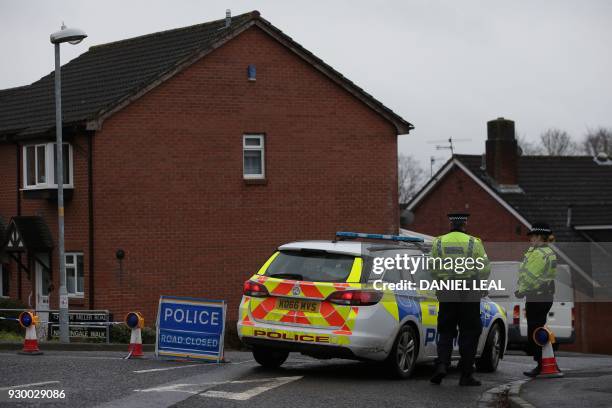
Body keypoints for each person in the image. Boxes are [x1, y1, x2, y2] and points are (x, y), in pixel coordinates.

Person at [429, 212, 491, 386]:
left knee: (446, 330)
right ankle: (466, 375)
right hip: (469, 291)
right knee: (469, 332)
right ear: (464, 225)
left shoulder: (438, 242)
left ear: (451, 225)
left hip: (447, 290)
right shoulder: (474, 242)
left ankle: (441, 365)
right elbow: (485, 269)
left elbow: (432, 268)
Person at [514, 222, 557, 377]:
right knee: (538, 328)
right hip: (542, 296)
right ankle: (545, 362)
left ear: (539, 236)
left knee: (536, 331)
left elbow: (532, 277)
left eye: (532, 236)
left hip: (537, 296)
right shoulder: (544, 251)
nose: (530, 239)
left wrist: (521, 291)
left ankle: (541, 365)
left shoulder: (539, 254)